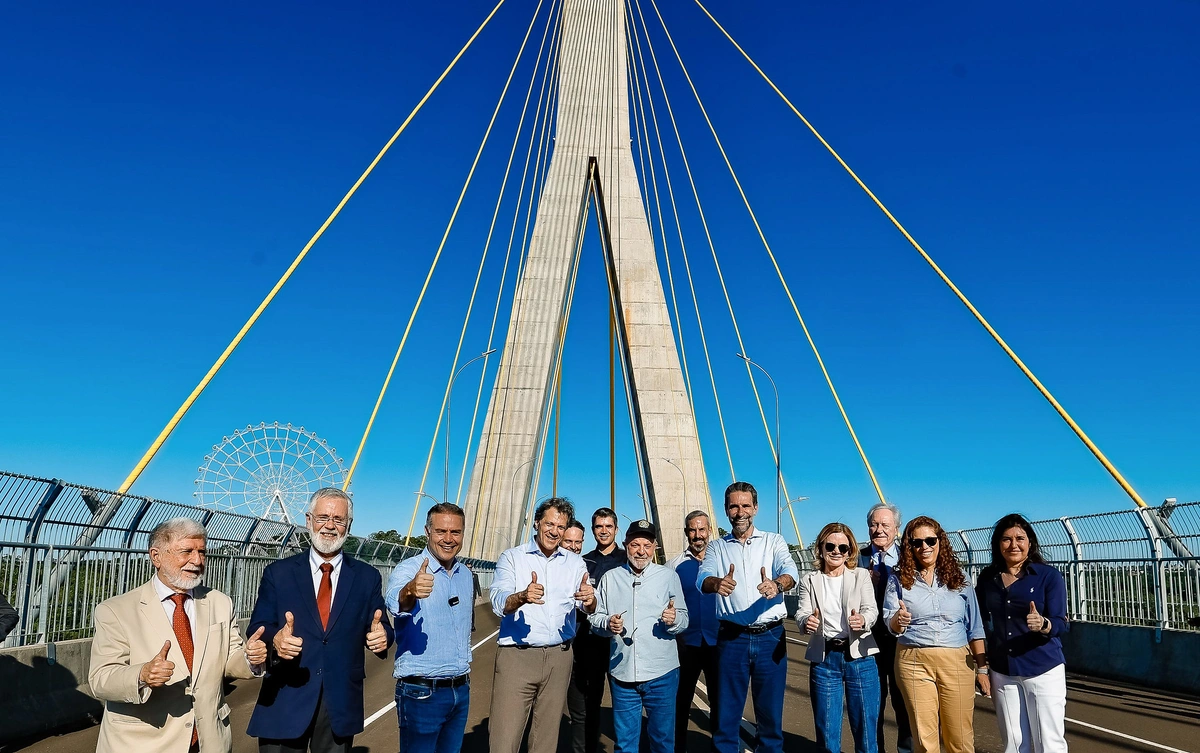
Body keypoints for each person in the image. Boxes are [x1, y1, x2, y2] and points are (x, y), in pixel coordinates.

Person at [89, 517, 267, 753]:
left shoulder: (220, 602)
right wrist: (142, 674)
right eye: (187, 552)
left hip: (208, 741)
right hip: (142, 744)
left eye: (202, 552)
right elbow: (101, 679)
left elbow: (229, 658)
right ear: (156, 557)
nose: (197, 560)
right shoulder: (116, 610)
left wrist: (249, 658)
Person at [247, 487, 394, 753]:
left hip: (339, 702)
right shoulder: (278, 574)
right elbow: (258, 626)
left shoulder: (367, 577)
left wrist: (383, 635)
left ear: (349, 525)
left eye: (338, 519)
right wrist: (275, 639)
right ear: (308, 520)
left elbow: (380, 624)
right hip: (286, 697)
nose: (330, 525)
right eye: (323, 517)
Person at [697, 482, 798, 753]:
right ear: (726, 510)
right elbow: (703, 577)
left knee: (770, 717)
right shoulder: (717, 547)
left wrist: (777, 585)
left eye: (745, 506)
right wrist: (717, 583)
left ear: (755, 508)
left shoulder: (774, 541)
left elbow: (791, 571)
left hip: (770, 637)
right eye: (734, 506)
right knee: (726, 717)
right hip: (732, 638)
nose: (740, 512)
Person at [489, 497, 596, 753]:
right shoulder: (512, 557)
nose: (554, 531)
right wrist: (522, 596)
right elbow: (498, 601)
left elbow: (588, 607)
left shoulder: (575, 563)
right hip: (518, 657)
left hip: (560, 657)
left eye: (561, 527)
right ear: (537, 523)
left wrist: (590, 600)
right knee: (504, 739)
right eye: (549, 524)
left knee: (546, 741)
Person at [883, 516, 989, 753]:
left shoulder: (960, 578)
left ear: (940, 541)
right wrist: (899, 620)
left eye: (930, 540)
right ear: (909, 546)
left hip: (957, 660)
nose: (925, 547)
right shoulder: (898, 579)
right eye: (917, 542)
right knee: (924, 739)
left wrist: (982, 669)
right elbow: (890, 623)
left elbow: (975, 627)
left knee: (960, 738)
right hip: (913, 660)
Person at [590, 520, 689, 753]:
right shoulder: (610, 578)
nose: (641, 551)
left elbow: (684, 619)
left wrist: (674, 619)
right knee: (625, 745)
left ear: (655, 547)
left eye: (647, 545)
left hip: (662, 673)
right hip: (622, 674)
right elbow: (595, 619)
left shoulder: (668, 577)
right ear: (626, 545)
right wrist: (607, 623)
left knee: (662, 742)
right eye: (635, 545)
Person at [386, 502, 475, 753]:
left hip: (459, 690)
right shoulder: (409, 570)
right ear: (427, 532)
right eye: (440, 531)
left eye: (455, 532)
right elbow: (395, 601)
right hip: (421, 693)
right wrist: (410, 590)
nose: (448, 539)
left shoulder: (465, 575)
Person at [976, 514, 1069, 753]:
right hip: (1002, 671)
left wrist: (1043, 624)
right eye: (1006, 539)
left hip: (1042, 668)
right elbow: (978, 621)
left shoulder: (1048, 576)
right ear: (998, 544)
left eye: (1020, 538)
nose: (1013, 545)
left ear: (1030, 542)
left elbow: (1061, 622)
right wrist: (983, 668)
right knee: (1014, 743)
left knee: (1048, 742)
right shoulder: (987, 578)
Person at [796, 522, 881, 753]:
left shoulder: (860, 576)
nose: (836, 551)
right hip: (825, 660)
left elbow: (871, 609)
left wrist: (863, 619)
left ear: (850, 551)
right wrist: (806, 621)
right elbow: (802, 612)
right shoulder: (809, 580)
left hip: (860, 658)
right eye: (830, 546)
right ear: (821, 548)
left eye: (843, 547)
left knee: (866, 734)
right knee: (827, 734)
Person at [569, 507, 626, 753]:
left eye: (608, 526)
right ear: (593, 530)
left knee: (624, 707)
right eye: (598, 526)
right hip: (588, 643)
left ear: (616, 529)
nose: (603, 531)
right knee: (587, 707)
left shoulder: (627, 560)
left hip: (619, 644)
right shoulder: (582, 561)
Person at [859, 503, 911, 753]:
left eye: (885, 525)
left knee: (906, 707)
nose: (879, 530)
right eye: (874, 524)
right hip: (867, 643)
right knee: (871, 708)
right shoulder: (854, 559)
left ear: (896, 529)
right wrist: (862, 586)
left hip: (902, 643)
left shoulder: (910, 558)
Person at [667, 510, 720, 753]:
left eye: (702, 529)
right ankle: (677, 747)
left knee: (720, 701)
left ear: (709, 531)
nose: (698, 535)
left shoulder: (721, 561)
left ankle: (719, 748)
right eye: (692, 530)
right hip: (685, 645)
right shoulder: (674, 565)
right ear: (686, 532)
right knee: (680, 701)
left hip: (718, 643)